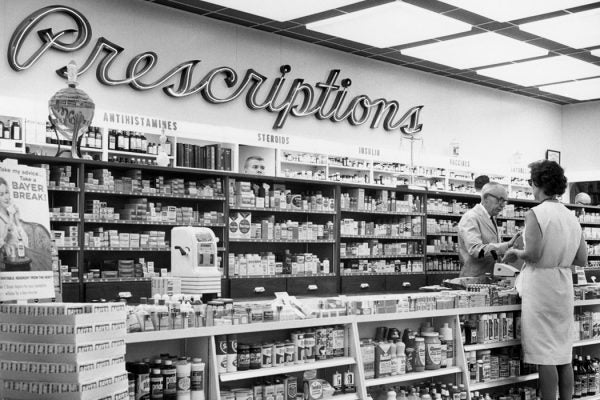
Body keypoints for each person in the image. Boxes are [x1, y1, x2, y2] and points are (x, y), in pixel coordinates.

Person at [503, 160, 587, 400]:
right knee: (563, 351)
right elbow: (581, 259)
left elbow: (534, 255)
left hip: (541, 286)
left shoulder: (536, 213)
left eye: (531, 183)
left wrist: (517, 253)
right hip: (563, 284)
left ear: (538, 184)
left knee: (544, 354)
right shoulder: (571, 216)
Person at [457, 182, 521, 277]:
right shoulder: (471, 217)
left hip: (488, 277)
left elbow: (491, 249)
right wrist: (506, 246)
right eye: (500, 200)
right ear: (486, 198)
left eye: (505, 201)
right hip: (474, 279)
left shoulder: (491, 217)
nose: (503, 205)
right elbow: (476, 250)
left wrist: (506, 256)